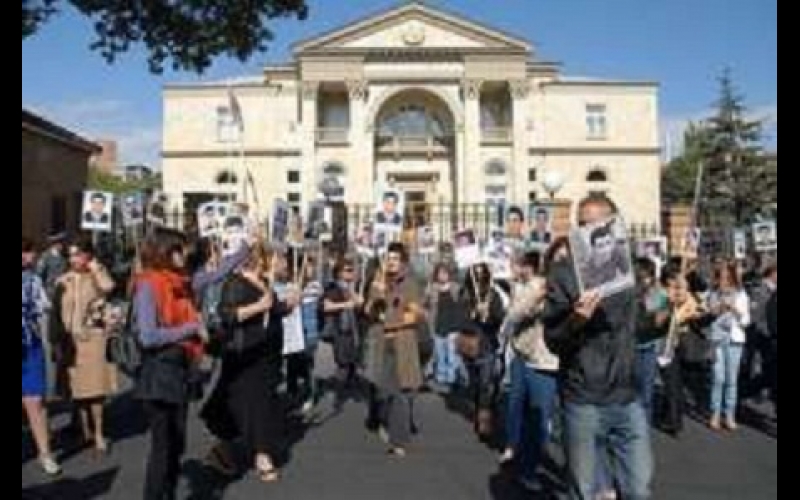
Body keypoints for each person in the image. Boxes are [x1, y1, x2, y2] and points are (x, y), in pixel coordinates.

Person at [542, 193, 653, 500]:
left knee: (639, 488)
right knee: (585, 490)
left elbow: (646, 323)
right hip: (584, 399)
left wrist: (667, 305)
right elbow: (553, 340)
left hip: (627, 396)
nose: (586, 234)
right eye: (581, 226)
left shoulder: (630, 272)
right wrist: (576, 320)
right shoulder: (564, 275)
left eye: (594, 226)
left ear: (613, 226)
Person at [202, 248, 295, 483]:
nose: (281, 262)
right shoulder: (236, 283)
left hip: (267, 356)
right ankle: (262, 456)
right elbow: (228, 315)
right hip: (246, 358)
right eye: (278, 257)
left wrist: (288, 305)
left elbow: (272, 311)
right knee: (255, 407)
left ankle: (223, 450)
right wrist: (258, 307)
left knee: (254, 406)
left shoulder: (265, 282)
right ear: (262, 259)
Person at [133, 228, 204, 500]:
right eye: (178, 249)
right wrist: (189, 329)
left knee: (176, 444)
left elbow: (214, 275)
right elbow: (148, 336)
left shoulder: (180, 281)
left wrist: (246, 247)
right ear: (165, 251)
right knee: (162, 447)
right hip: (159, 370)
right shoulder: (148, 284)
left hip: (180, 369)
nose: (183, 254)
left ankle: (169, 494)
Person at [501, 251, 559, 493]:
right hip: (525, 355)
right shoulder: (534, 287)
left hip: (547, 359)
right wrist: (531, 295)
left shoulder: (556, 288)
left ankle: (530, 463)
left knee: (540, 415)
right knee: (522, 409)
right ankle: (521, 458)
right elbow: (515, 314)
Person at [55, 239, 117, 456]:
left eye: (78, 254)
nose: (73, 259)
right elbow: (57, 311)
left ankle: (99, 432)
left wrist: (95, 268)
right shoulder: (64, 280)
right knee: (79, 392)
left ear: (88, 256)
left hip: (93, 339)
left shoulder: (97, 276)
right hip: (71, 341)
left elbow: (109, 287)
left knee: (96, 392)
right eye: (70, 255)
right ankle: (85, 430)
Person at [364, 242, 425, 457]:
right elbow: (368, 310)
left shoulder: (409, 283)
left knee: (400, 392)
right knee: (383, 390)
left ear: (403, 262)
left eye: (395, 259)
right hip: (381, 342)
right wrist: (377, 297)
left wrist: (389, 318)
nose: (391, 263)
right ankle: (384, 420)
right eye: (388, 258)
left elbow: (416, 315)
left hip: (401, 343)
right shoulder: (378, 281)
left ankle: (399, 440)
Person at [22, 238, 62, 476]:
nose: (30, 257)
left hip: (30, 346)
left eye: (30, 252)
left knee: (35, 401)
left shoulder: (33, 280)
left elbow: (44, 308)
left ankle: (45, 454)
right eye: (25, 252)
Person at [707, 264, 751, 432]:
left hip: (734, 339)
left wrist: (734, 309)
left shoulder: (741, 294)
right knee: (718, 378)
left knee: (731, 379)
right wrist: (718, 308)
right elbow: (708, 315)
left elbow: (746, 320)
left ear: (732, 278)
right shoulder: (713, 294)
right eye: (721, 277)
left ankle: (729, 414)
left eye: (727, 277)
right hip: (717, 339)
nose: (724, 281)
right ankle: (715, 413)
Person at [634, 258, 670, 425]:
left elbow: (660, 323)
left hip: (649, 347)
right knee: (629, 393)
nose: (645, 280)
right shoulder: (631, 294)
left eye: (648, 276)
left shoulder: (659, 294)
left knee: (646, 393)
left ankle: (643, 431)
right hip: (630, 347)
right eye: (642, 276)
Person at [424, 264, 465, 389]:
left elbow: (464, 301)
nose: (443, 276)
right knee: (440, 353)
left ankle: (451, 378)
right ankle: (441, 377)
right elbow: (424, 304)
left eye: (445, 273)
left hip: (453, 325)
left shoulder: (456, 288)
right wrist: (427, 316)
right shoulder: (431, 289)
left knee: (452, 354)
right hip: (437, 325)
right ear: (436, 275)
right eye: (440, 273)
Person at [578, 220, 632, 294]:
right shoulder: (585, 269)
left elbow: (627, 271)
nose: (606, 249)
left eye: (608, 243)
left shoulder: (616, 251)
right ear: (594, 249)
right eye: (600, 246)